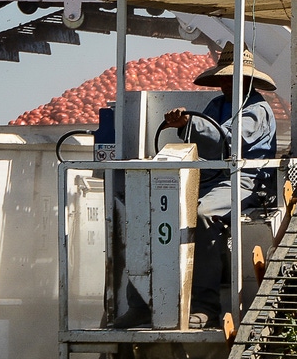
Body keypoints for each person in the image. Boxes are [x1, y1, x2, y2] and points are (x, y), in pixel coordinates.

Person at [114, 42, 278, 329]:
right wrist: (184, 124)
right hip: (211, 177)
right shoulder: (217, 104)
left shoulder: (257, 109)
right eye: (224, 77)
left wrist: (190, 123)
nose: (226, 82)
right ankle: (141, 303)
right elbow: (204, 143)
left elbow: (227, 142)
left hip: (244, 181)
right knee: (156, 210)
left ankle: (205, 306)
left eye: (232, 77)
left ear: (248, 79)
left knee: (201, 214)